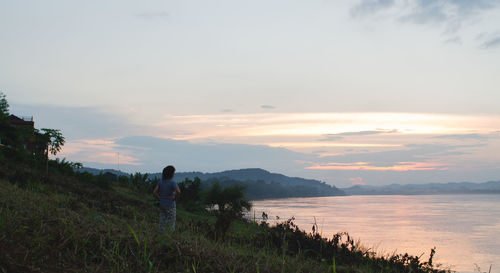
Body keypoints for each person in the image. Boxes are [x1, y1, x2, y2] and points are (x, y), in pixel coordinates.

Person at [153, 165, 180, 232]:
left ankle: (160, 233)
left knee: (162, 220)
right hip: (170, 205)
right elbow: (178, 192)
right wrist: (174, 198)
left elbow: (154, 192)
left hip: (162, 204)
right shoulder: (172, 182)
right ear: (171, 174)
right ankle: (170, 235)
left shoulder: (161, 182)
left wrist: (159, 199)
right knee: (171, 222)